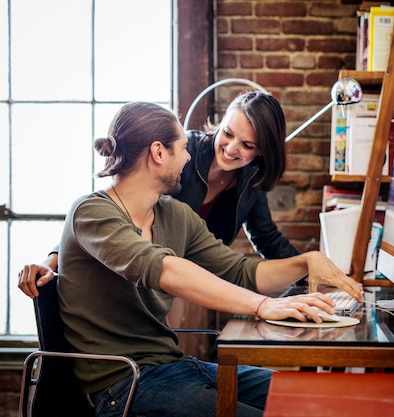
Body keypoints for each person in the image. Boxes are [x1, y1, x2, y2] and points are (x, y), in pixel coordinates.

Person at [32, 101, 363, 417]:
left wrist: (306, 261)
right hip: (122, 384)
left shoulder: (175, 214)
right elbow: (163, 269)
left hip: (174, 366)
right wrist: (262, 305)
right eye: (183, 148)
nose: (190, 157)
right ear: (159, 152)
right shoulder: (91, 211)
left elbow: (242, 271)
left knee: (313, 399)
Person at [19, 91, 301, 297]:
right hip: (154, 273)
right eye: (227, 133)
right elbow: (106, 212)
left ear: (262, 150)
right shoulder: (178, 154)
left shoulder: (250, 178)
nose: (231, 148)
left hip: (192, 273)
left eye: (247, 145)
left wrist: (309, 270)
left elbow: (265, 240)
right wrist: (54, 258)